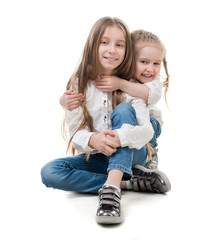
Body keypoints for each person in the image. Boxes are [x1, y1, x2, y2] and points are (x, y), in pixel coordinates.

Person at [41, 17, 171, 225]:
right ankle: (128, 183)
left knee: (124, 109)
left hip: (134, 151)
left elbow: (147, 131)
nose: (112, 49)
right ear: (93, 45)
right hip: (103, 156)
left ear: (127, 50)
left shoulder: (130, 85)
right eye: (104, 42)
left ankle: (111, 191)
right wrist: (94, 139)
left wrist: (119, 136)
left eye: (119, 44)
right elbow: (75, 134)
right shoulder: (79, 85)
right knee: (49, 172)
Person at [60, 29, 170, 169]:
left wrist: (120, 84)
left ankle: (150, 152)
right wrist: (63, 101)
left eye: (156, 63)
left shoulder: (148, 83)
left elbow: (152, 95)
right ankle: (124, 178)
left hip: (148, 125)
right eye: (144, 62)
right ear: (130, 59)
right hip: (118, 134)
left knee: (145, 121)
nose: (150, 69)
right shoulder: (95, 81)